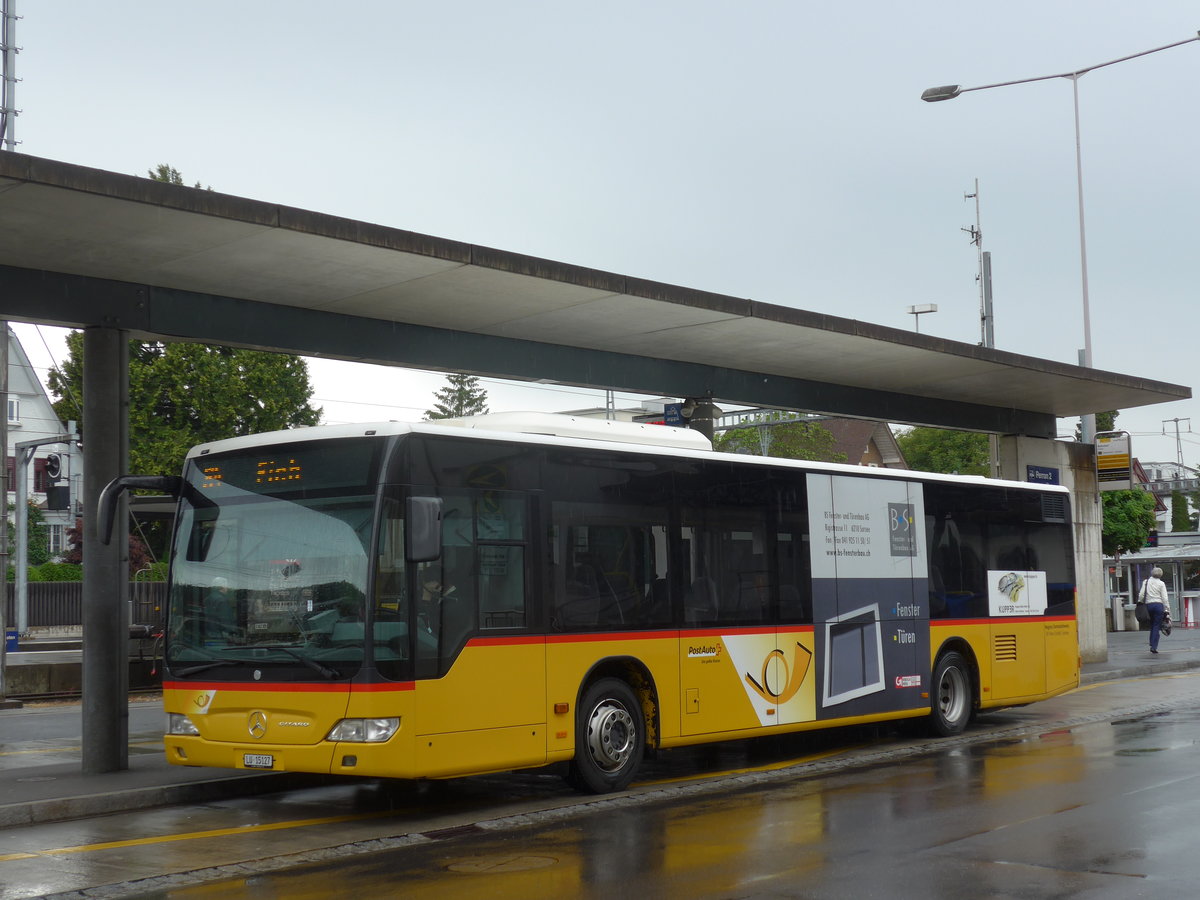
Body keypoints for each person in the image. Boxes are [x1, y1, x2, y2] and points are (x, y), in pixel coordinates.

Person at [1140, 567, 1169, 654]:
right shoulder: (1161, 583)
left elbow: (1141, 594)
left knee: (1152, 624)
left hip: (1148, 605)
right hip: (1158, 605)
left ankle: (1151, 641)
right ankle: (1153, 646)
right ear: (1161, 574)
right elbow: (1164, 597)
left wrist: (1140, 602)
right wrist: (1167, 609)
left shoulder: (1146, 582)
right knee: (1156, 625)